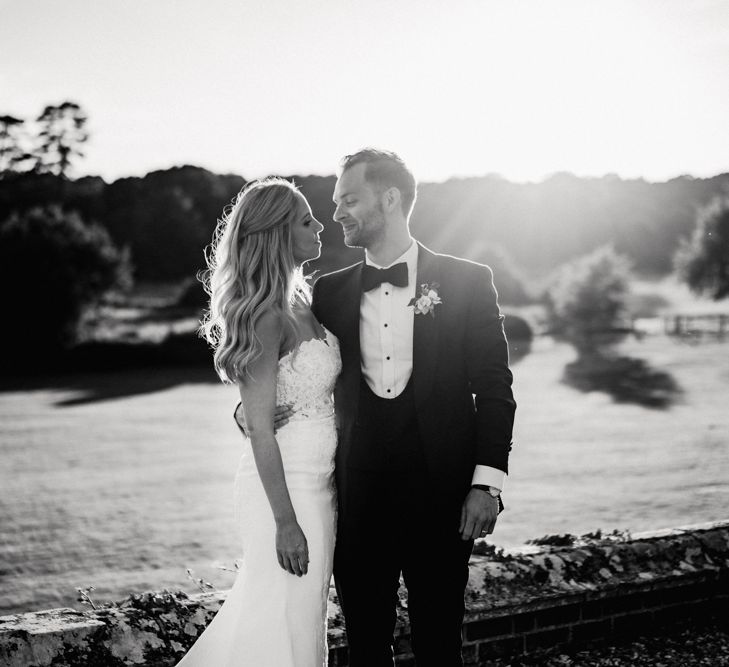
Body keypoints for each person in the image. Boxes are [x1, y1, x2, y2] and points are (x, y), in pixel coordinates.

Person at [238, 149, 516, 666]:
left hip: (445, 496)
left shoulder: (467, 281)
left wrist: (487, 484)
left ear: (389, 199)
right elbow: (284, 365)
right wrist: (247, 414)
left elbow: (496, 389)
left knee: (439, 642)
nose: (337, 212)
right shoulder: (329, 292)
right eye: (334, 203)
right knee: (365, 643)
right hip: (358, 499)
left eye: (348, 199)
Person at [177, 177, 340, 667]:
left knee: (302, 616)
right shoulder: (267, 316)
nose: (319, 227)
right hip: (283, 491)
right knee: (277, 615)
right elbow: (261, 428)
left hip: (322, 483)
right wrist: (286, 523)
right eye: (306, 221)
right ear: (277, 233)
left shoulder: (306, 301)